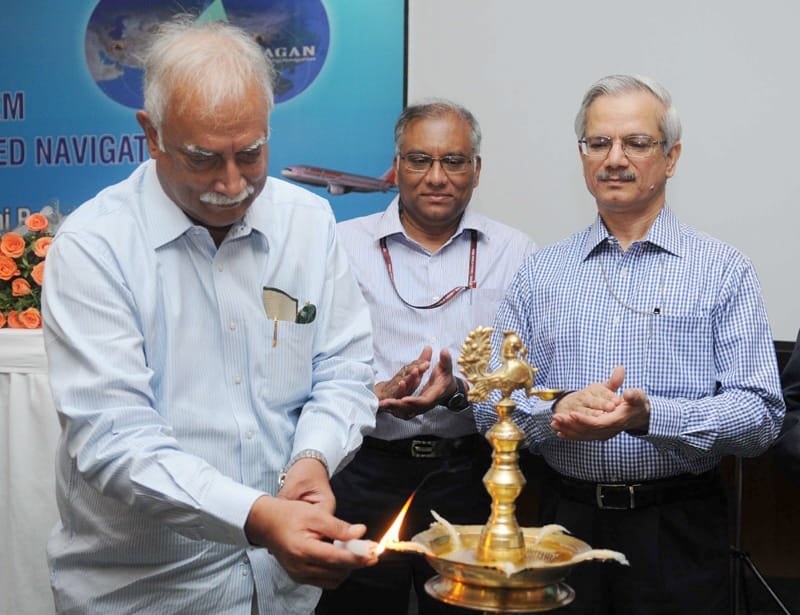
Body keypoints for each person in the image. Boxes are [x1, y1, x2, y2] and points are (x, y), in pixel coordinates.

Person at [42, 18, 378, 615]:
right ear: (151, 134)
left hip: (283, 594)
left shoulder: (307, 222)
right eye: (202, 160)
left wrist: (314, 457)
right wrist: (255, 517)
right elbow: (114, 438)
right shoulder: (96, 246)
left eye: (251, 153)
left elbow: (344, 369)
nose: (232, 183)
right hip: (148, 593)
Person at [475, 75, 785, 614]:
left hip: (678, 529)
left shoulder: (722, 270)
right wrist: (553, 412)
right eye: (599, 143)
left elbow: (761, 416)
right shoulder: (540, 273)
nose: (614, 158)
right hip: (562, 526)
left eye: (636, 143)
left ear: (671, 156)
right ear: (582, 156)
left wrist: (649, 417)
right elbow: (487, 403)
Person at [316, 100, 536, 614]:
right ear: (397, 166)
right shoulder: (340, 246)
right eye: (419, 160)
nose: (437, 177)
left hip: (469, 477)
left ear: (476, 170)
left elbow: (531, 375)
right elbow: (306, 362)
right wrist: (367, 395)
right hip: (362, 472)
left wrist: (460, 391)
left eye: (454, 161)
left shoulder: (516, 252)